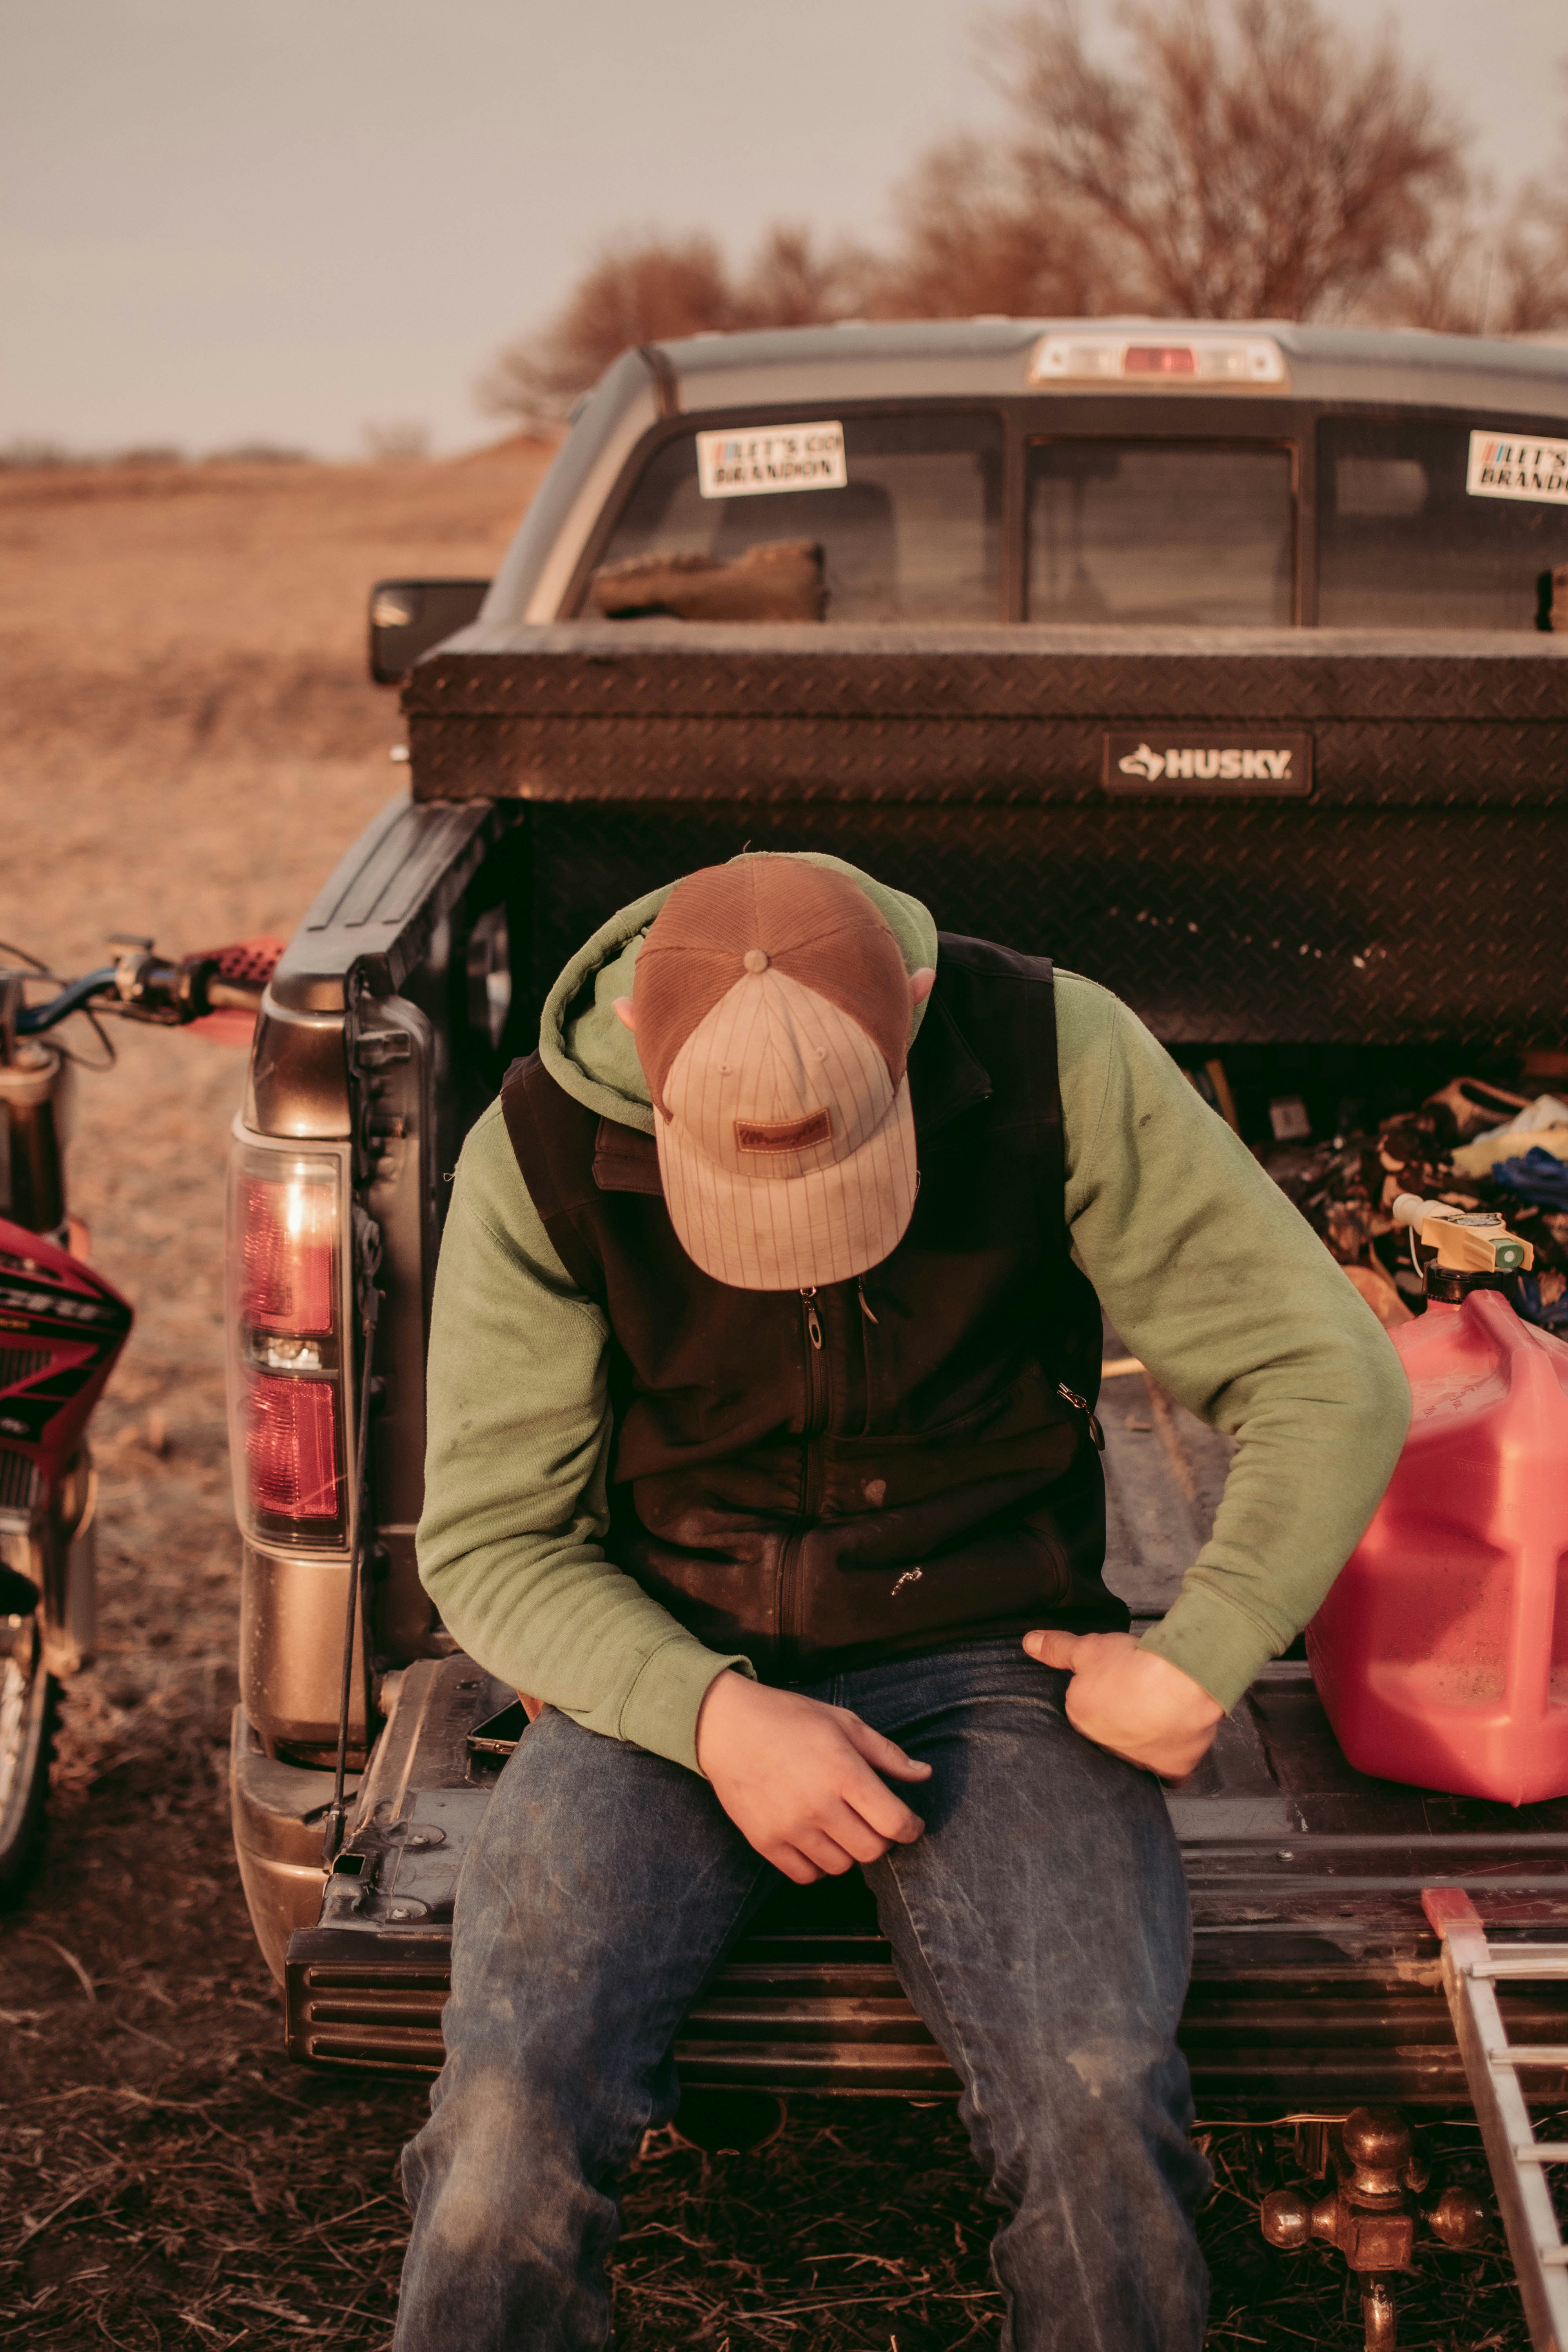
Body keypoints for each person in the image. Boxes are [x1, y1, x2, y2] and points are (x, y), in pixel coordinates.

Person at [393, 853, 1408, 2351]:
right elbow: (490, 1542)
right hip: (668, 1656)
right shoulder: (535, 1143)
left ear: (915, 1011)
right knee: (501, 2113)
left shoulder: (1063, 1054)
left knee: (1097, 2100)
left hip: (995, 1645)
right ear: (655, 1085)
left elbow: (1323, 1367)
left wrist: (1199, 1656)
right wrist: (714, 1713)